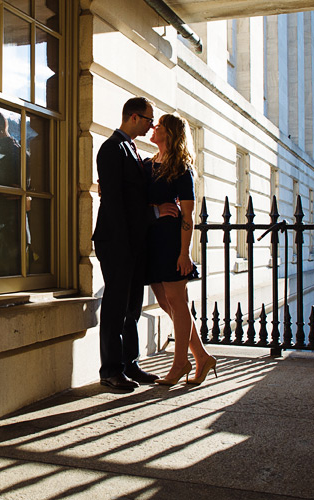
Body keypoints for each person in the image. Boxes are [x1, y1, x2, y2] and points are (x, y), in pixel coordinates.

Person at [92, 97, 177, 391]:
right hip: (115, 240)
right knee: (116, 306)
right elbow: (115, 201)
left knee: (132, 308)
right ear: (133, 117)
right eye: (148, 119)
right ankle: (110, 370)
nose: (151, 125)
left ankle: (130, 364)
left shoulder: (132, 148)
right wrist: (154, 212)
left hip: (133, 241)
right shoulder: (111, 148)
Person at [143, 113, 217, 386]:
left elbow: (188, 214)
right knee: (166, 302)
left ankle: (179, 363)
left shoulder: (181, 168)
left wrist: (184, 253)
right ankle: (201, 357)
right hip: (151, 240)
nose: (154, 127)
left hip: (172, 243)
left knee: (176, 301)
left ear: (170, 133)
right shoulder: (148, 164)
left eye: (159, 125)